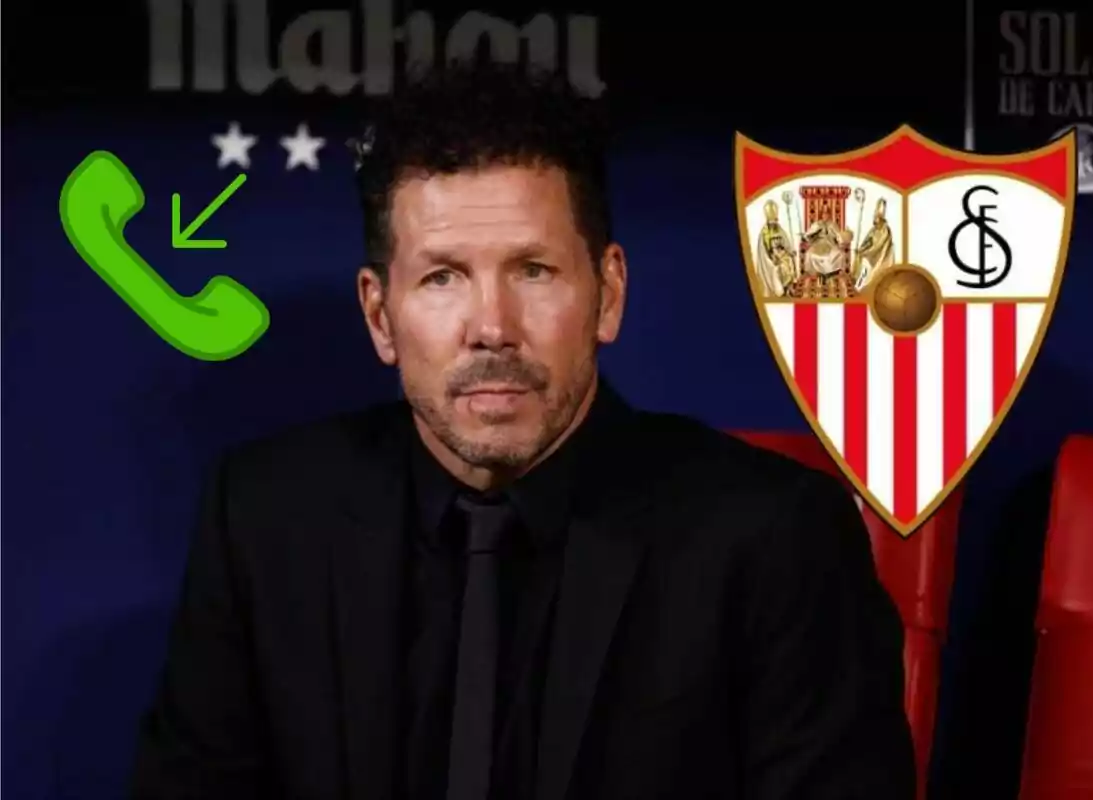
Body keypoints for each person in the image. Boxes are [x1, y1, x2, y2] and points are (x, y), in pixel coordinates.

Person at [129, 60, 915, 800]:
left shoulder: (776, 538)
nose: (492, 327)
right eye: (443, 278)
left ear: (607, 295)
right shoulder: (266, 518)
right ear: (380, 316)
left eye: (533, 271)